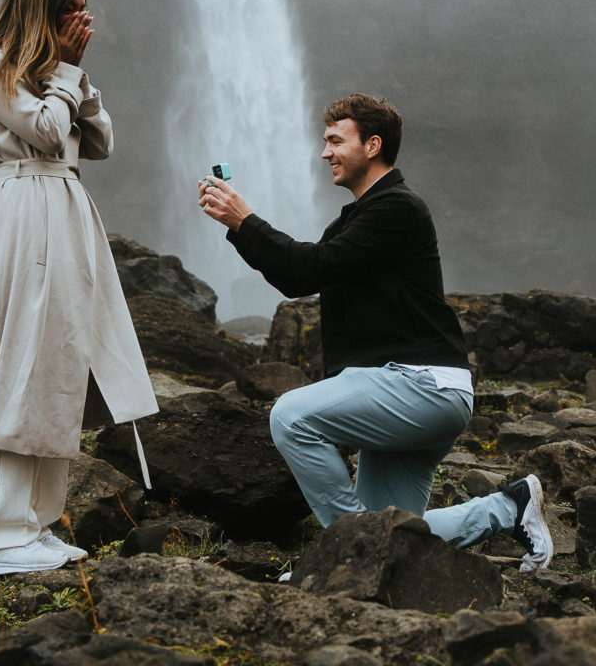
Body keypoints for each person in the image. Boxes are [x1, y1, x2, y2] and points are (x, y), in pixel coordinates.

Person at [199, 93, 552, 572]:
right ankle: (508, 508)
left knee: (290, 417)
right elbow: (297, 276)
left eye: (334, 141)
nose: (324, 153)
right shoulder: (358, 219)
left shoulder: (397, 209)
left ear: (372, 145)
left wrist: (245, 220)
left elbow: (313, 265)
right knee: (395, 535)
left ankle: (346, 553)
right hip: (413, 391)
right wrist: (239, 226)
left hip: (419, 384)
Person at [0, 0, 158, 575]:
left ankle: (34, 525)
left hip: (64, 207)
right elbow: (46, 134)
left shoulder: (53, 77)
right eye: (69, 8)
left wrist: (73, 76)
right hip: (28, 205)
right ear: (39, 8)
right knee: (22, 356)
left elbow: (99, 144)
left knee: (58, 358)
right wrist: (65, 72)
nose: (81, 19)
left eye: (83, 7)